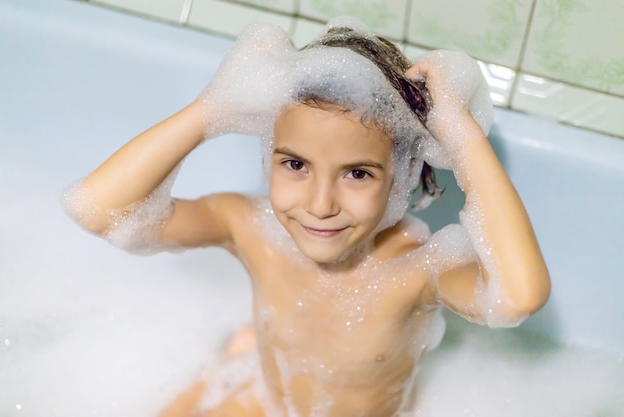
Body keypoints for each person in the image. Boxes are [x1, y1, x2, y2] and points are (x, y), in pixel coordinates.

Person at [63, 17, 550, 417]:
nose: (320, 205)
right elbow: (99, 210)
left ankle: (240, 351)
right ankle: (239, 357)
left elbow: (517, 297)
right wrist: (211, 110)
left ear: (403, 173)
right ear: (269, 154)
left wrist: (461, 136)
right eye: (295, 164)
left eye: (357, 174)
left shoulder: (417, 271)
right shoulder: (249, 226)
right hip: (268, 399)